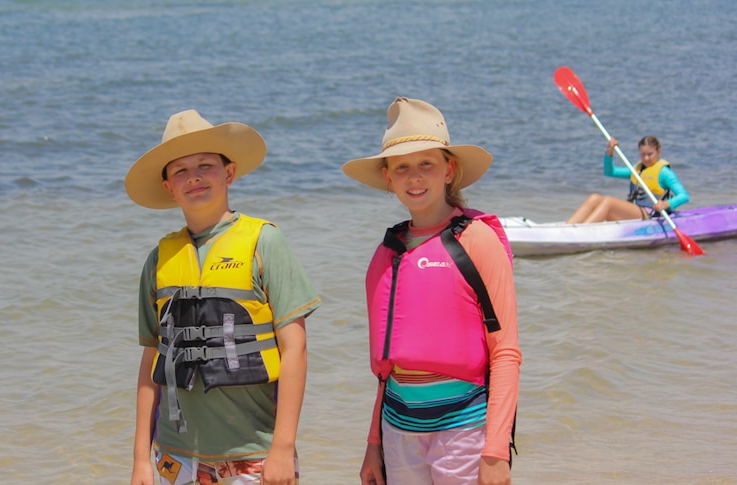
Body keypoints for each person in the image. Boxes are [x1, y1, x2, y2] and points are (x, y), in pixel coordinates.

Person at [125, 109, 321, 485]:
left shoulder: (265, 242)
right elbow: (152, 362)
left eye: (205, 165)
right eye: (179, 170)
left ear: (229, 172)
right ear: (168, 186)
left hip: (254, 453)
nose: (194, 177)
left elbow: (295, 349)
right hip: (175, 456)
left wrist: (282, 447)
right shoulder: (159, 259)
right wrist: (140, 461)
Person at [342, 97, 521, 485]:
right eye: (402, 167)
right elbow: (385, 371)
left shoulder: (477, 242)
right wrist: (373, 444)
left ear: (449, 170)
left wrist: (496, 450)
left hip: (464, 428)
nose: (415, 176)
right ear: (388, 178)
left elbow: (506, 352)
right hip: (398, 430)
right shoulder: (387, 254)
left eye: (427, 163)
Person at [565, 136, 690, 224]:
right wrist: (609, 152)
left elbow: (684, 196)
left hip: (651, 215)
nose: (646, 158)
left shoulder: (664, 172)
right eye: (642, 154)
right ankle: (568, 227)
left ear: (658, 151)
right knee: (594, 198)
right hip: (635, 212)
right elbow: (610, 172)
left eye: (650, 154)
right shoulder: (637, 170)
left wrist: (667, 204)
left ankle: (582, 231)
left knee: (609, 202)